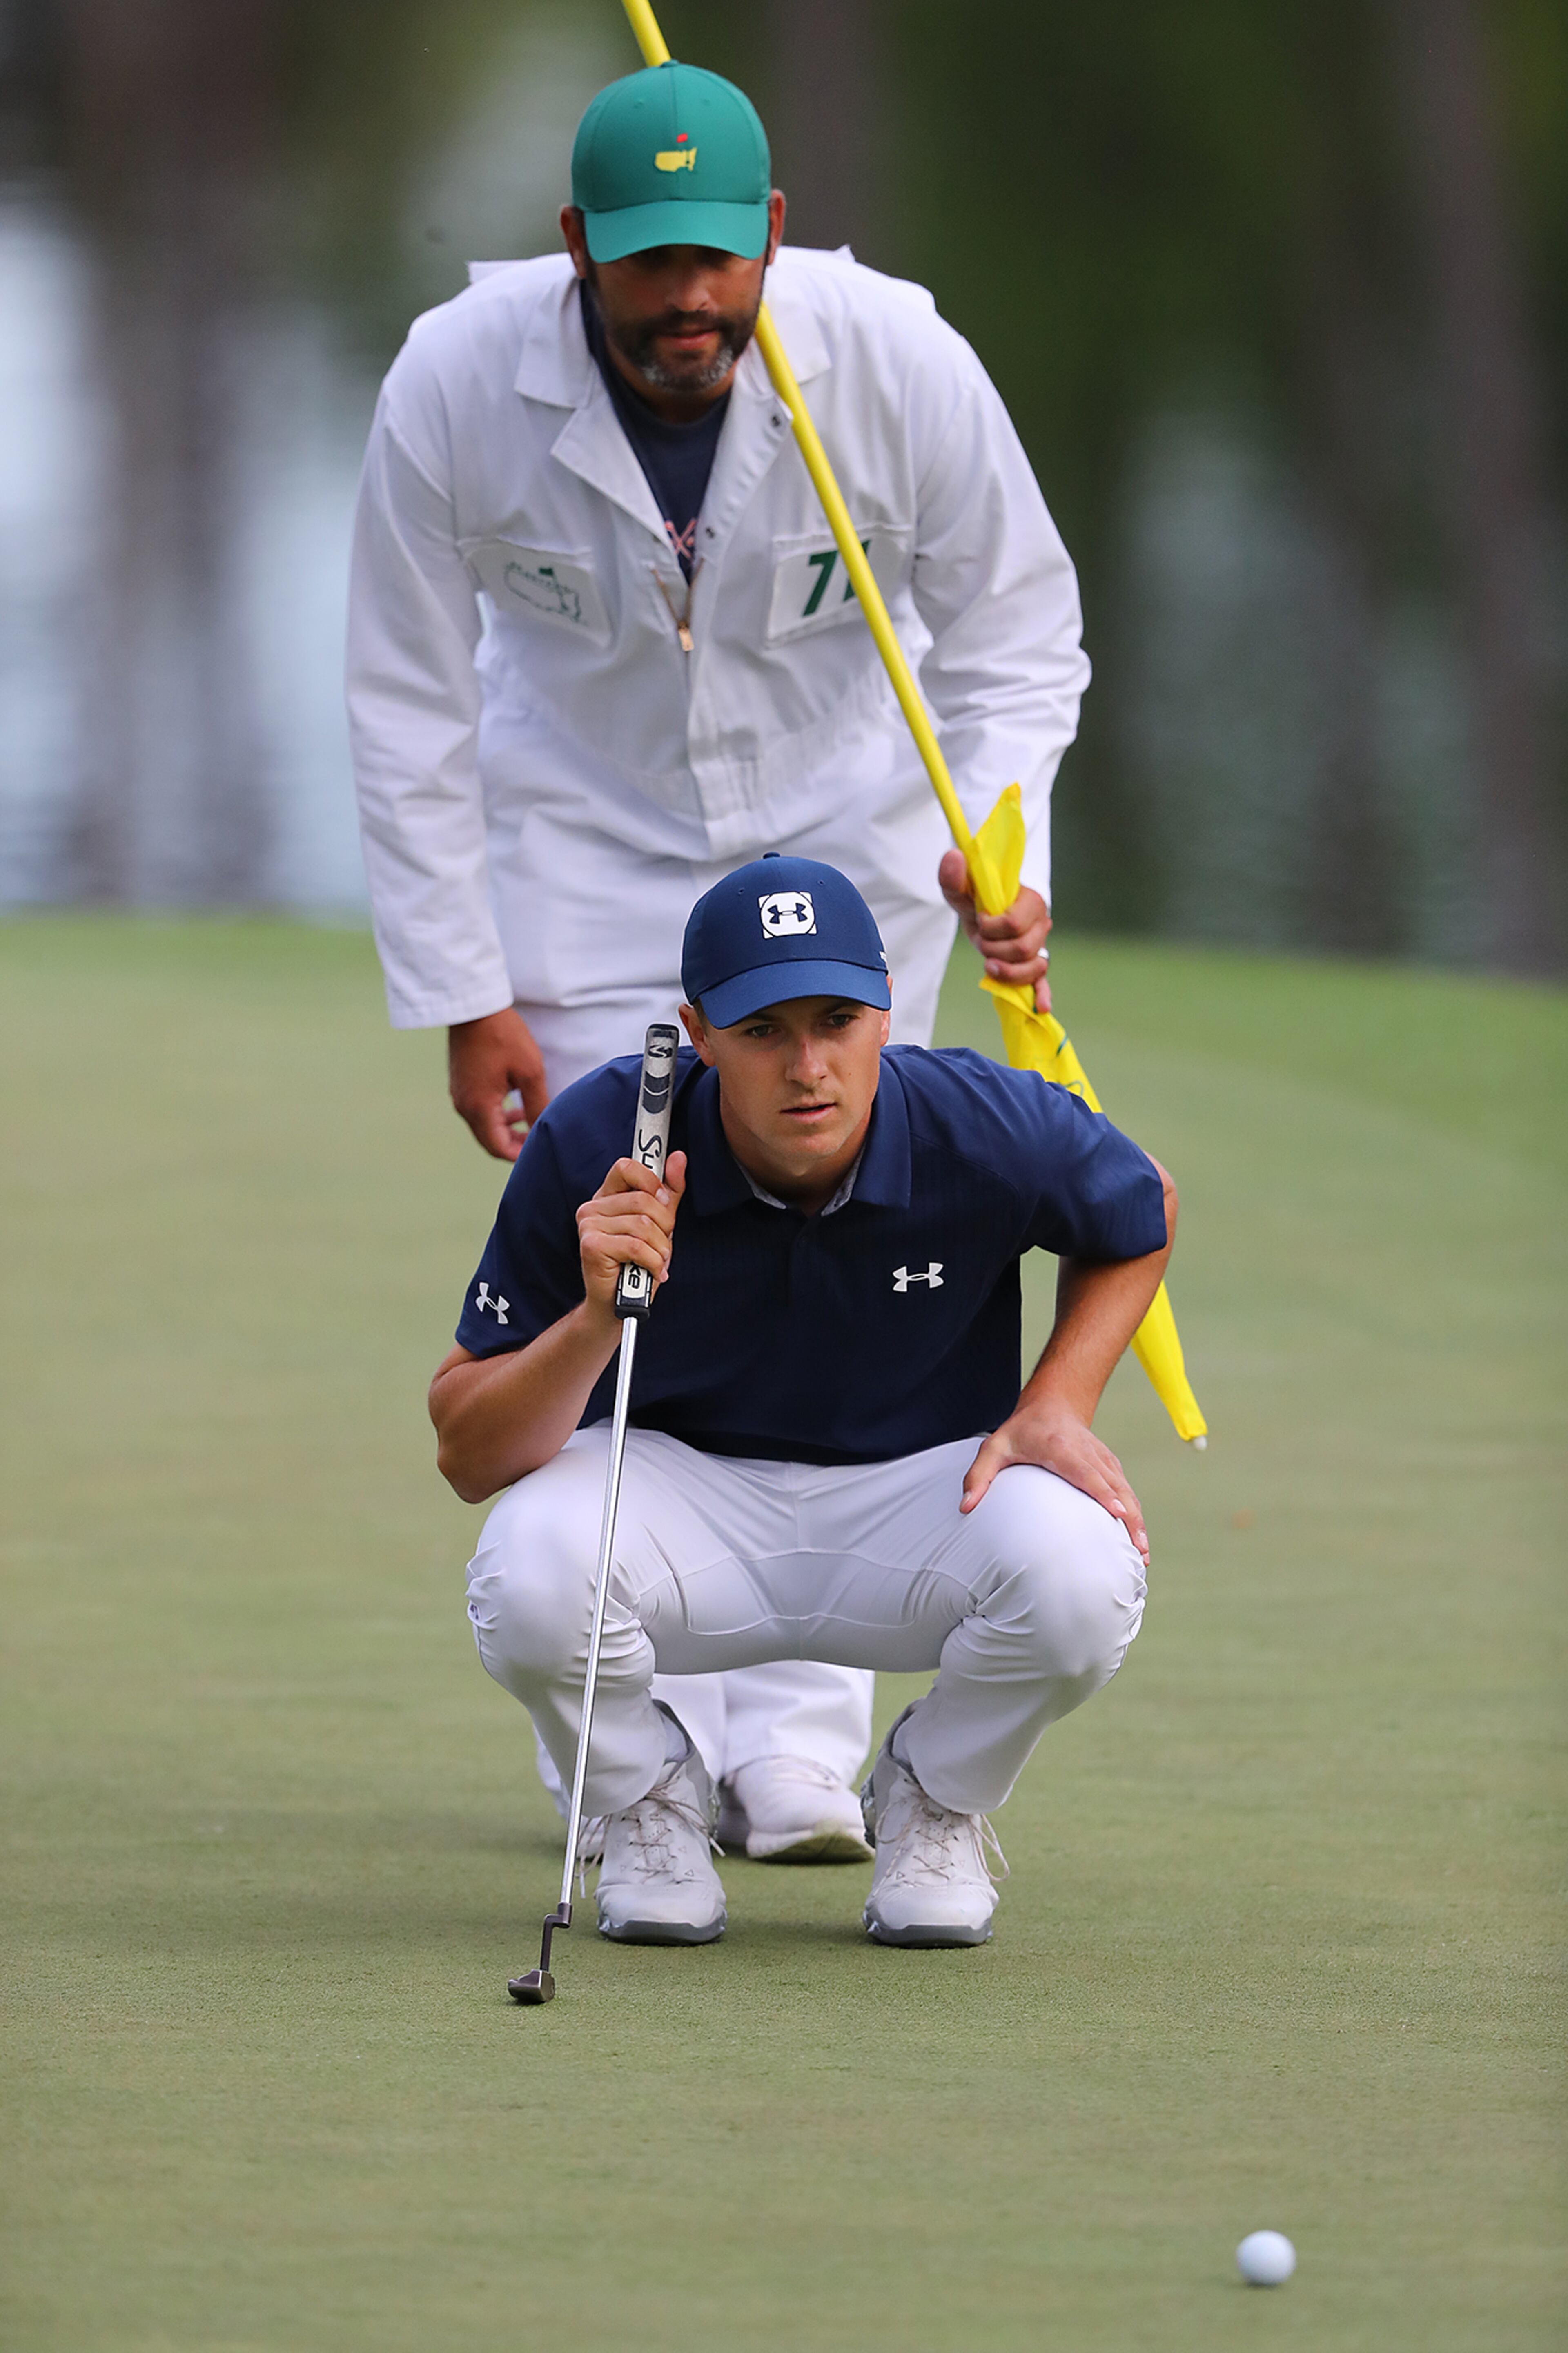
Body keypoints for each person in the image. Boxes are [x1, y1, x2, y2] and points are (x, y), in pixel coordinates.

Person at [347, 57, 1090, 1859]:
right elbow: (402, 692)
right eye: (644, 266)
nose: (687, 303)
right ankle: (633, 1738)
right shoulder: (459, 378)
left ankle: (799, 1755)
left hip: (856, 850)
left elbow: (1017, 631)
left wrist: (999, 845)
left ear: (769, 235)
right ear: (572, 251)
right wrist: (463, 986)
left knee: (835, 1240)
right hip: (589, 854)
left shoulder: (894, 357)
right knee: (634, 1230)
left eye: (716, 261)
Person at [430, 858, 1175, 1948]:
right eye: (764, 1029)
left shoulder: (973, 1118)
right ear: (699, 1031)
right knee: (526, 1572)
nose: (809, 1065)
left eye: (837, 1019)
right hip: (680, 1497)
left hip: (918, 1499)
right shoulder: (607, 1137)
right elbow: (465, 1450)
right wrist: (594, 1317)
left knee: (1086, 1570)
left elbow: (1139, 1200)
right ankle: (649, 1795)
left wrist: (1059, 1400)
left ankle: (934, 1792)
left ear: (885, 1010)